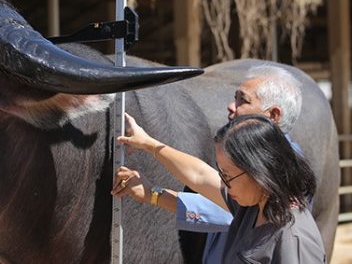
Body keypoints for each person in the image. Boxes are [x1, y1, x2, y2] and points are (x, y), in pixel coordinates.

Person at [115, 64, 306, 263]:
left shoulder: (286, 171)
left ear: (273, 115)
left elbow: (210, 193)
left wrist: (150, 153)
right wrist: (151, 187)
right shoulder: (256, 166)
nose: (231, 106)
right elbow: (209, 192)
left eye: (244, 100)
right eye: (236, 97)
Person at [112, 114, 326, 263]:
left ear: (259, 170)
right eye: (221, 173)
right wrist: (149, 144)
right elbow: (199, 174)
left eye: (228, 175)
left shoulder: (294, 239)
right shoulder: (254, 205)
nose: (223, 182)